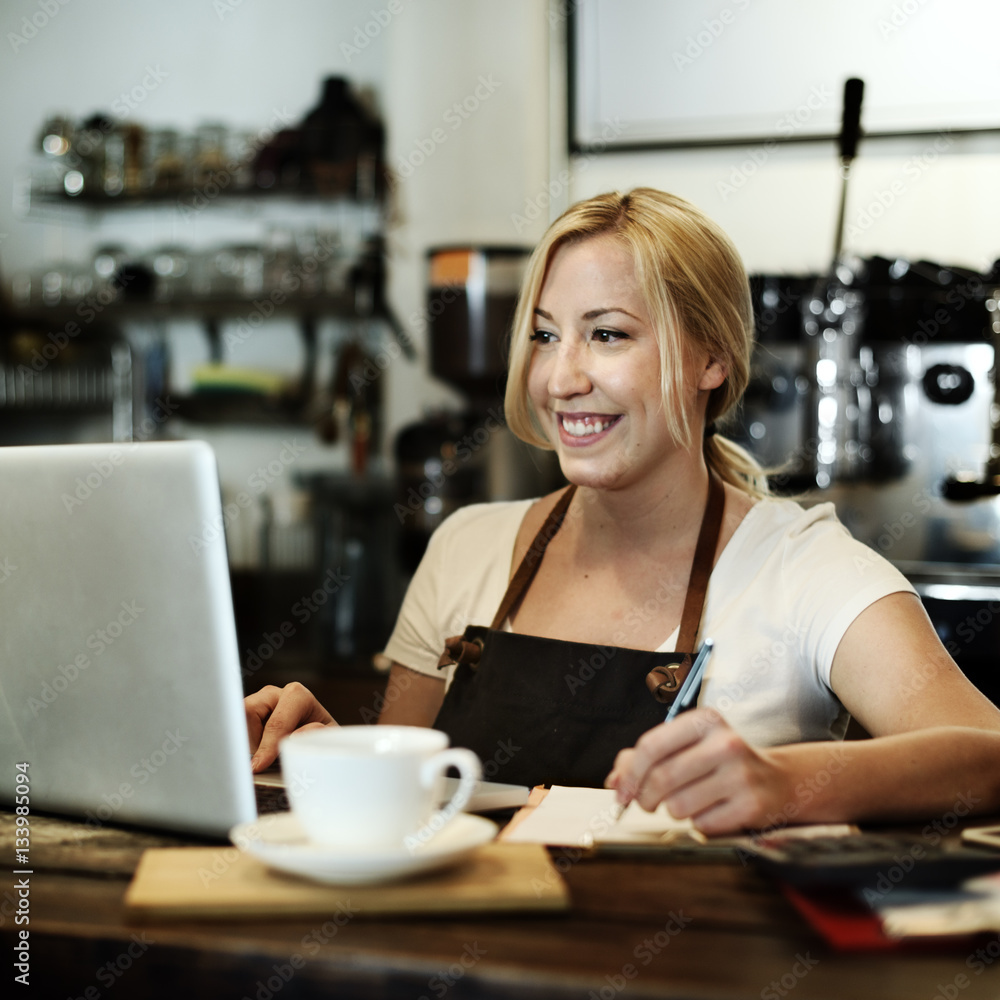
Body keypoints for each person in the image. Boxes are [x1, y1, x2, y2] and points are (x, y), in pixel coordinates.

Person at [246, 188, 1000, 835]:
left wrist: (786, 783)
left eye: (607, 334)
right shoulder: (466, 548)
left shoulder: (804, 568)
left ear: (713, 359)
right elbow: (405, 808)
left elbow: (988, 753)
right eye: (545, 335)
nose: (562, 376)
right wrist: (321, 752)